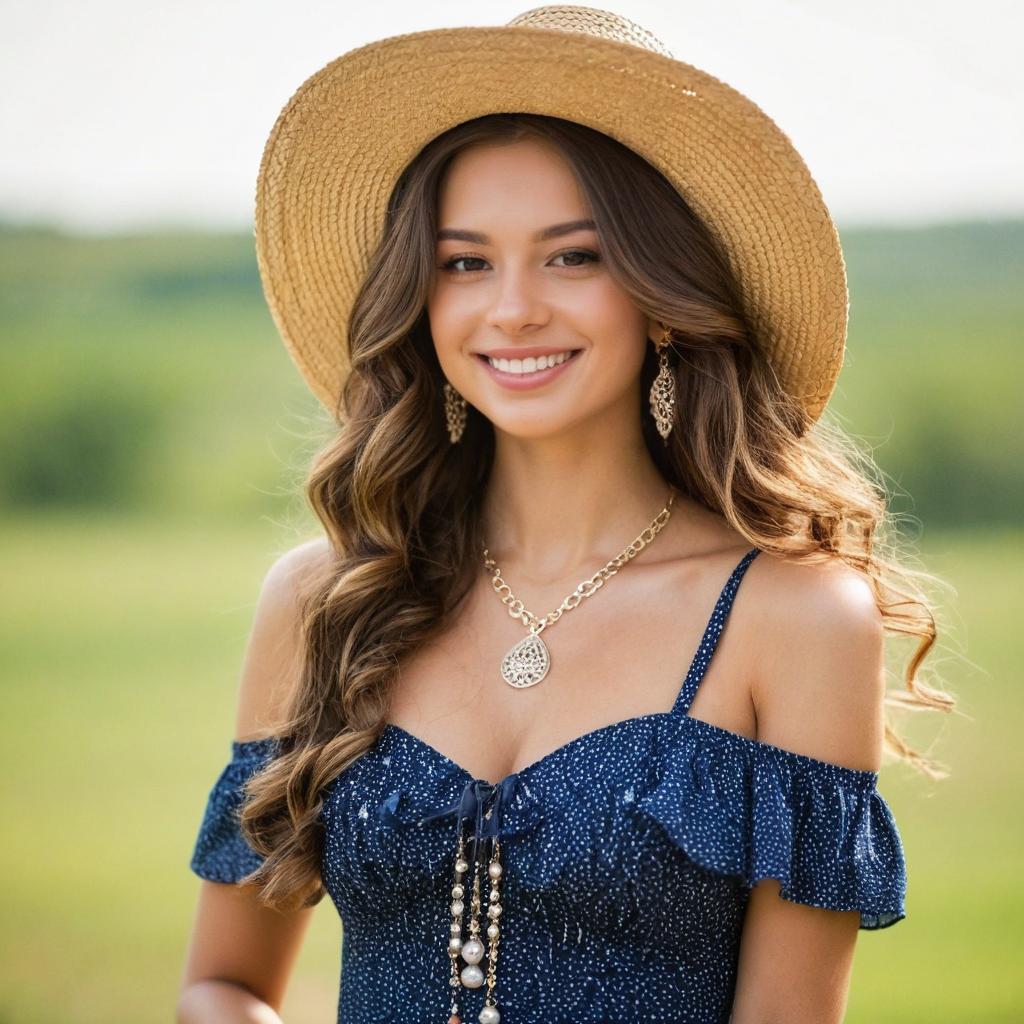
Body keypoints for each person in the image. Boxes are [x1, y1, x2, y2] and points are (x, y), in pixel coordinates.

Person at [177, 7, 954, 1024]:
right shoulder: (325, 598)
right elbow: (221, 984)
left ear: (664, 293)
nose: (512, 309)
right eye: (464, 263)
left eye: (572, 256)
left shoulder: (796, 618)